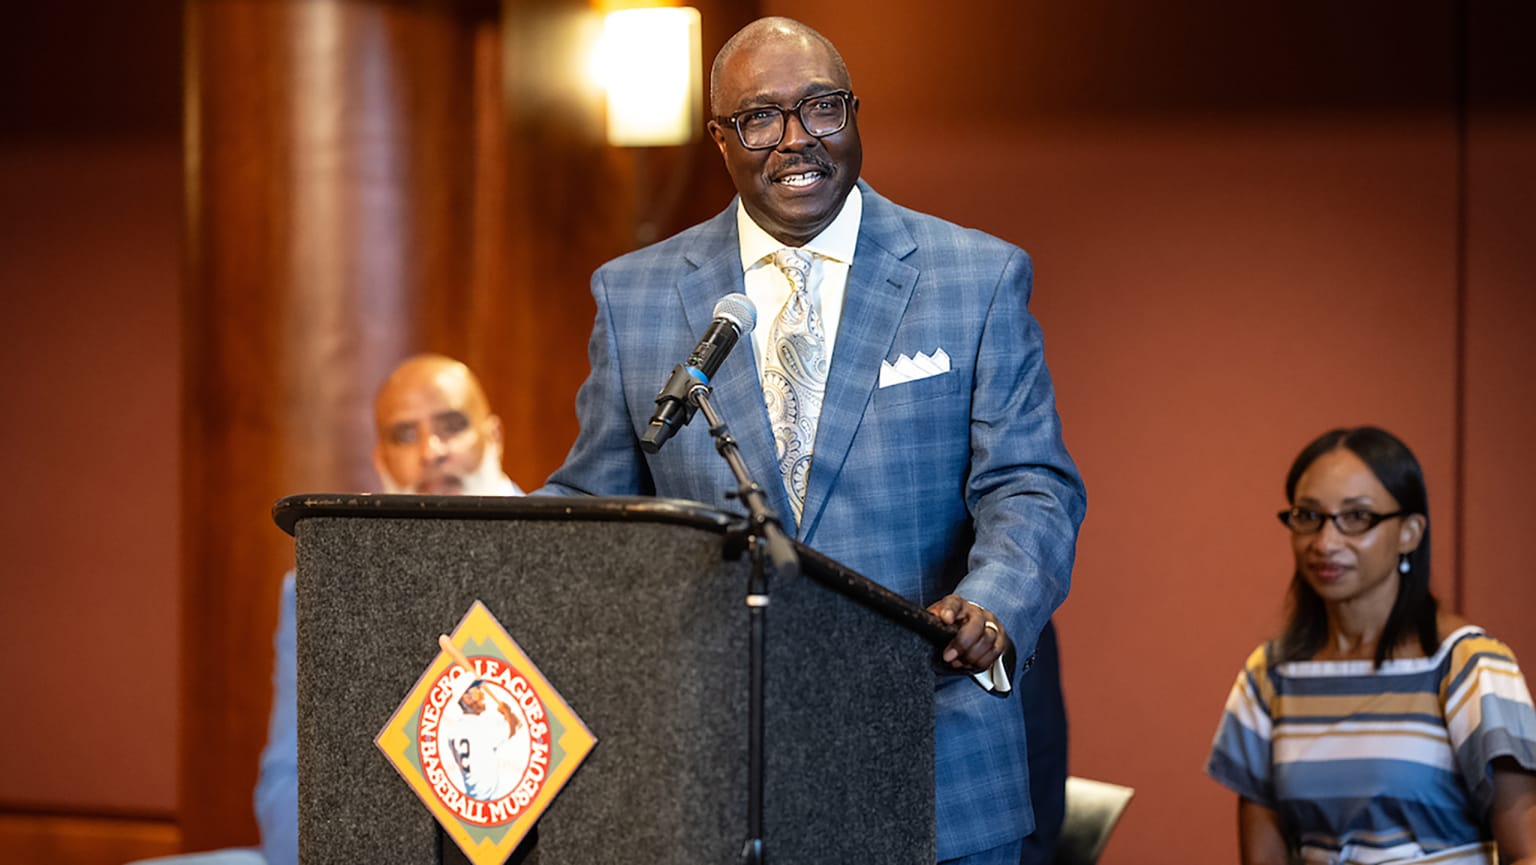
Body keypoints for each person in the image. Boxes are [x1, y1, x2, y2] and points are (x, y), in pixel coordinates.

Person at [537, 17, 1085, 863]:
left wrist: (996, 601)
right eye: (761, 117)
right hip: (717, 768)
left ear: (854, 114)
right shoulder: (635, 296)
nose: (798, 140)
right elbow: (595, 502)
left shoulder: (974, 275)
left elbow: (1031, 484)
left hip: (933, 751)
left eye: (821, 108)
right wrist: (485, 548)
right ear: (720, 140)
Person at [1206, 426, 1536, 865]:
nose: (1326, 542)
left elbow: (1526, 852)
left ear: (1410, 533)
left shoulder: (1466, 664)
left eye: (1357, 518)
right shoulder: (1270, 675)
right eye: (1308, 516)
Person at [254, 354, 524, 865]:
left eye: (453, 426)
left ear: (494, 437)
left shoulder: (572, 559)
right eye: (405, 435)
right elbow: (286, 783)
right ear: (380, 461)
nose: (432, 451)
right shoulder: (322, 585)